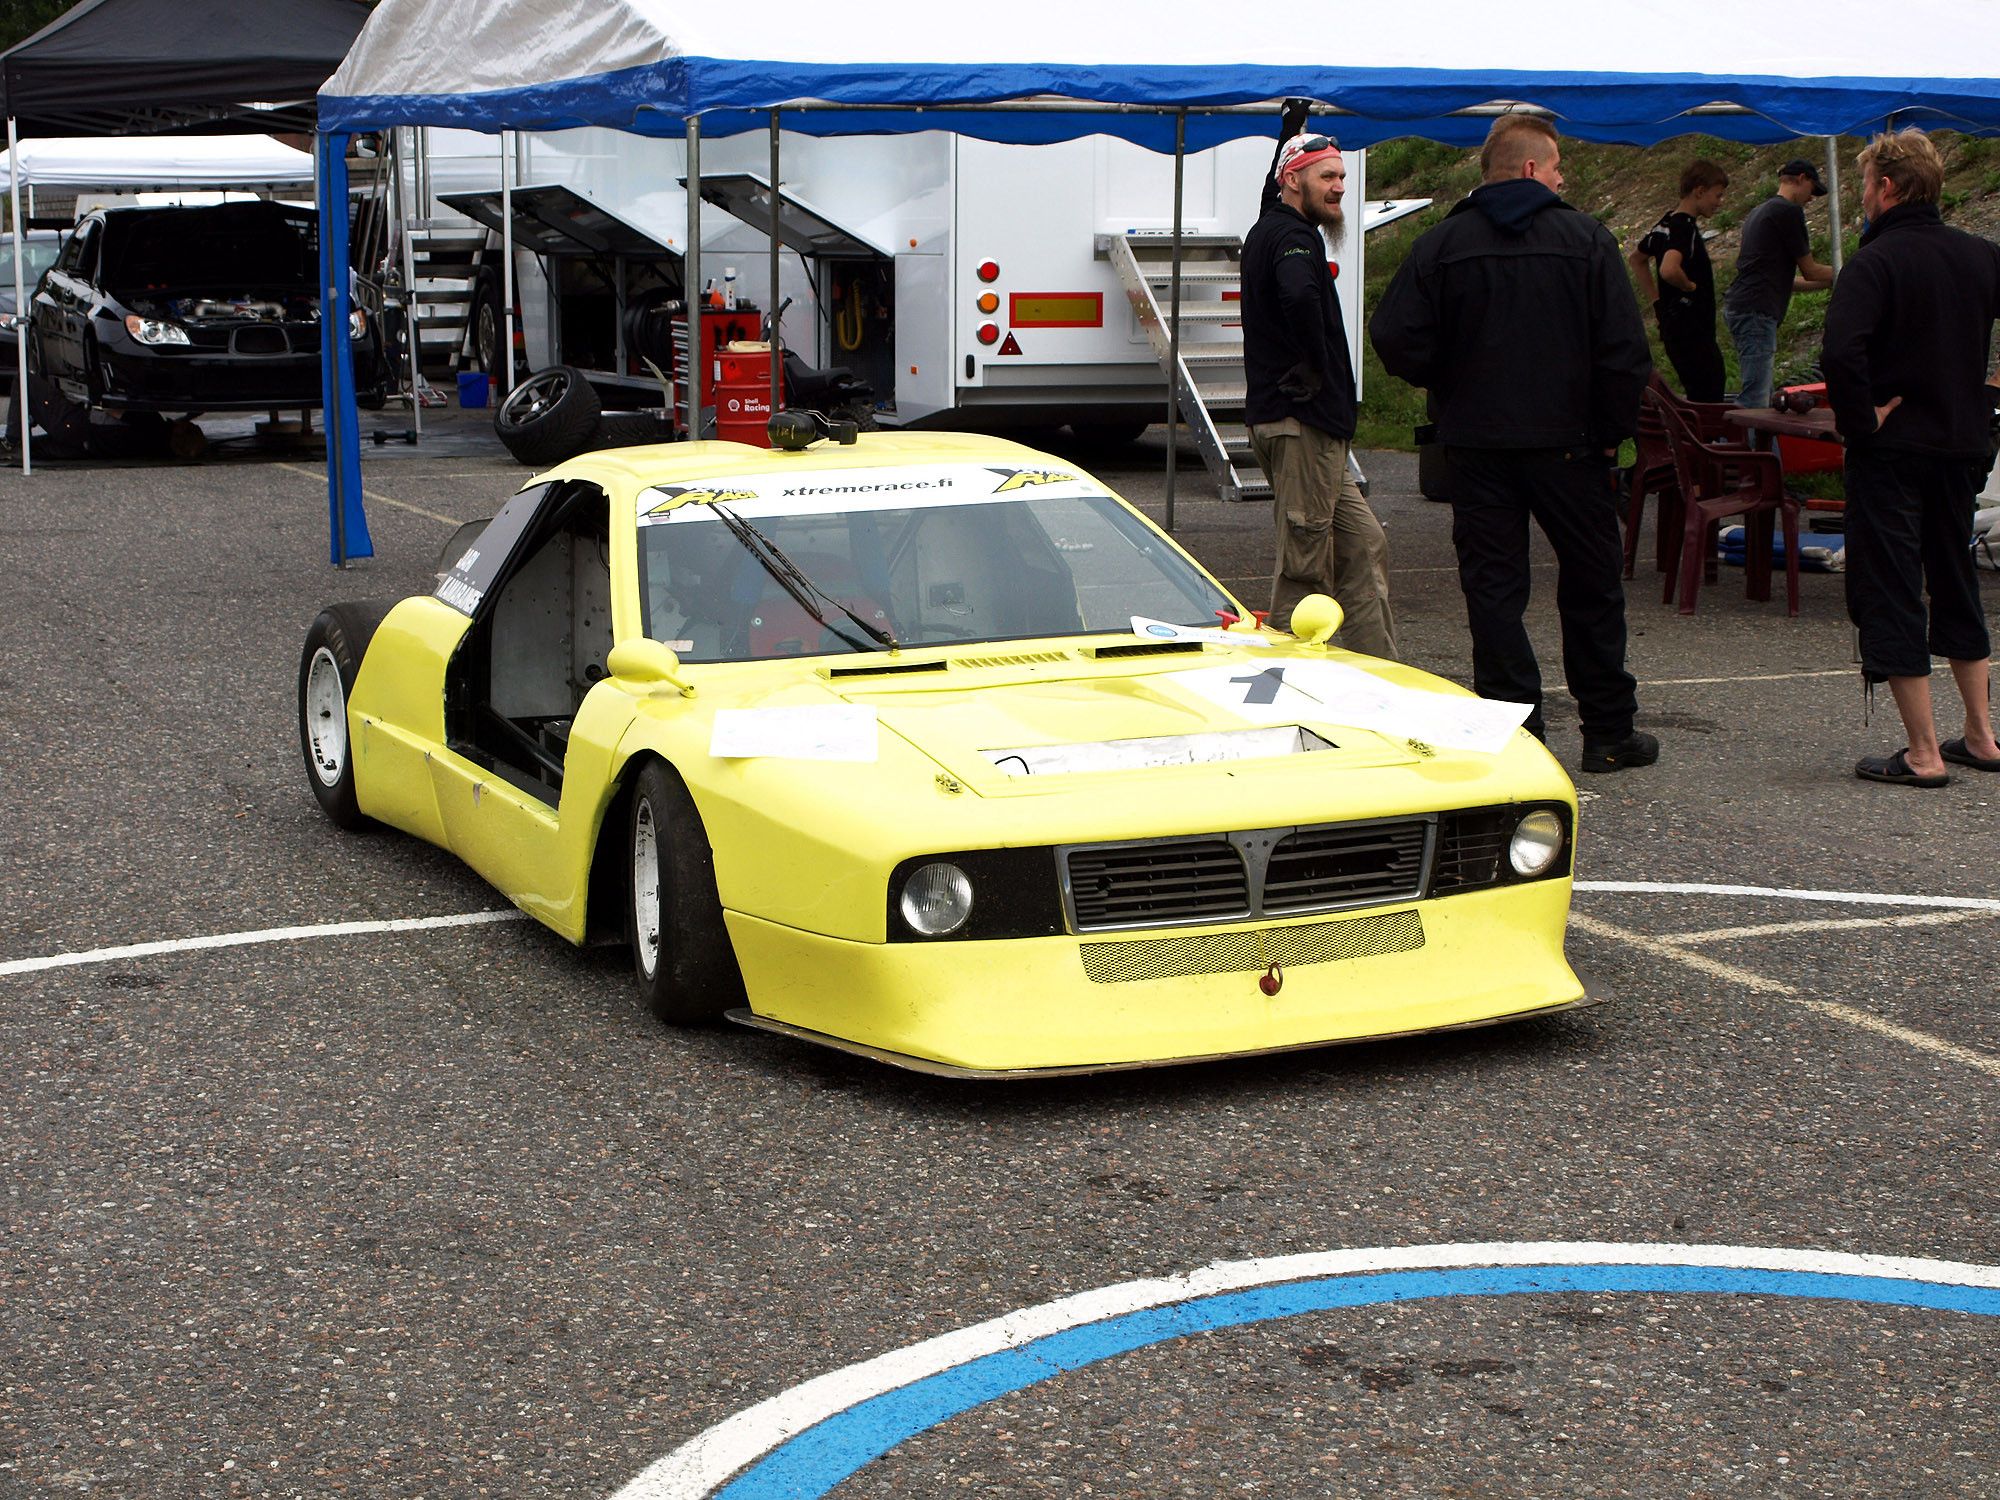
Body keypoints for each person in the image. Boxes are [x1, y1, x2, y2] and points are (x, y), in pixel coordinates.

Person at [1370, 115, 1657, 773]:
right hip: (1571, 445)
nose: (1564, 179)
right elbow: (1625, 354)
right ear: (1531, 170)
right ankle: (1609, 731)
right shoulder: (1585, 240)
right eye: (1558, 168)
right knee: (1592, 587)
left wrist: (1446, 377)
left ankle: (1516, 734)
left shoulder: (1442, 244)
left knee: (1494, 590)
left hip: (1476, 445)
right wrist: (1613, 436)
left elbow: (1394, 336)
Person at [1820, 128, 2000, 787]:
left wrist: (1861, 415)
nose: (1862, 196)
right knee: (1955, 577)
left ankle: (1923, 752)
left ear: (1887, 187)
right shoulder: (1981, 255)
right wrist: (1987, 391)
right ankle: (1980, 736)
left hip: (1892, 449)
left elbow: (1840, 353)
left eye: (1865, 184)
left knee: (1892, 585)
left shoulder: (1876, 262)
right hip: (1959, 445)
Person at [1239, 130, 1396, 658]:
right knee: (1306, 566)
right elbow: (1299, 292)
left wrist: (1289, 134)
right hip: (1301, 426)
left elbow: (1274, 191)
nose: (1339, 187)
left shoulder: (1273, 221)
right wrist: (1311, 363)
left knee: (1363, 544)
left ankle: (1378, 671)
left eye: (1342, 176)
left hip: (1306, 428)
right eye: (1327, 177)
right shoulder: (1296, 239)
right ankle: (1287, 683)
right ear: (1294, 181)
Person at [1723, 159, 1836, 409]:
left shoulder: (1760, 211)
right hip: (1757, 311)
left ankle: (1761, 446)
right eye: (1812, 190)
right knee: (1756, 399)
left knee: (1761, 390)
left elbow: (1788, 281)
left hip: (1742, 305)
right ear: (1802, 179)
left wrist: (1830, 282)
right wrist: (1851, 270)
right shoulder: (1788, 212)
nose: (1811, 199)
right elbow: (1810, 270)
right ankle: (1749, 447)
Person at [1629, 159, 1730, 402]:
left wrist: (1657, 300)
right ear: (1699, 191)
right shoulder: (1684, 227)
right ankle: (1706, 439)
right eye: (1717, 196)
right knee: (1709, 394)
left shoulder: (1664, 224)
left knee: (1695, 391)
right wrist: (1689, 286)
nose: (1719, 203)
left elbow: (1636, 259)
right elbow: (1668, 269)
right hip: (1693, 329)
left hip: (1674, 328)